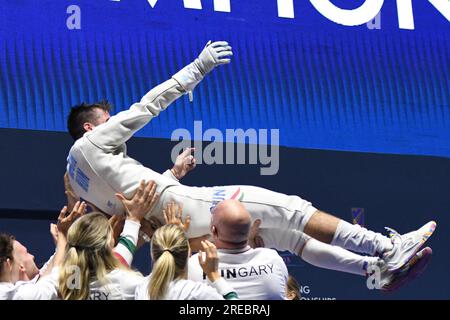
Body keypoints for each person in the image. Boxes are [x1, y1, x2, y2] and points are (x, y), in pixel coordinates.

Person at [64, 40, 436, 291]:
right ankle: (387, 250)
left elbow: (130, 220)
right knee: (294, 210)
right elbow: (148, 106)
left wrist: (170, 181)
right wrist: (197, 68)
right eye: (107, 118)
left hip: (179, 229)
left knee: (288, 238)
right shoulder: (93, 141)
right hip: (194, 206)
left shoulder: (76, 180)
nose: (113, 121)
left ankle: (372, 272)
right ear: (90, 126)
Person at [187, 200, 288, 300]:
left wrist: (178, 237)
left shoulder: (195, 264)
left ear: (214, 231)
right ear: (249, 230)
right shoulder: (272, 259)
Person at [135, 218, 238, 300]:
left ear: (152, 255)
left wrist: (172, 235)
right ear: (189, 251)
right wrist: (214, 275)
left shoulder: (142, 289)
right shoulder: (198, 293)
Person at [0, 201, 83, 300]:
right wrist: (63, 235)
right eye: (26, 253)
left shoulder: (19, 291)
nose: (32, 256)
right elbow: (57, 280)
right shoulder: (19, 295)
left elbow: (46, 279)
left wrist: (62, 242)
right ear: (8, 264)